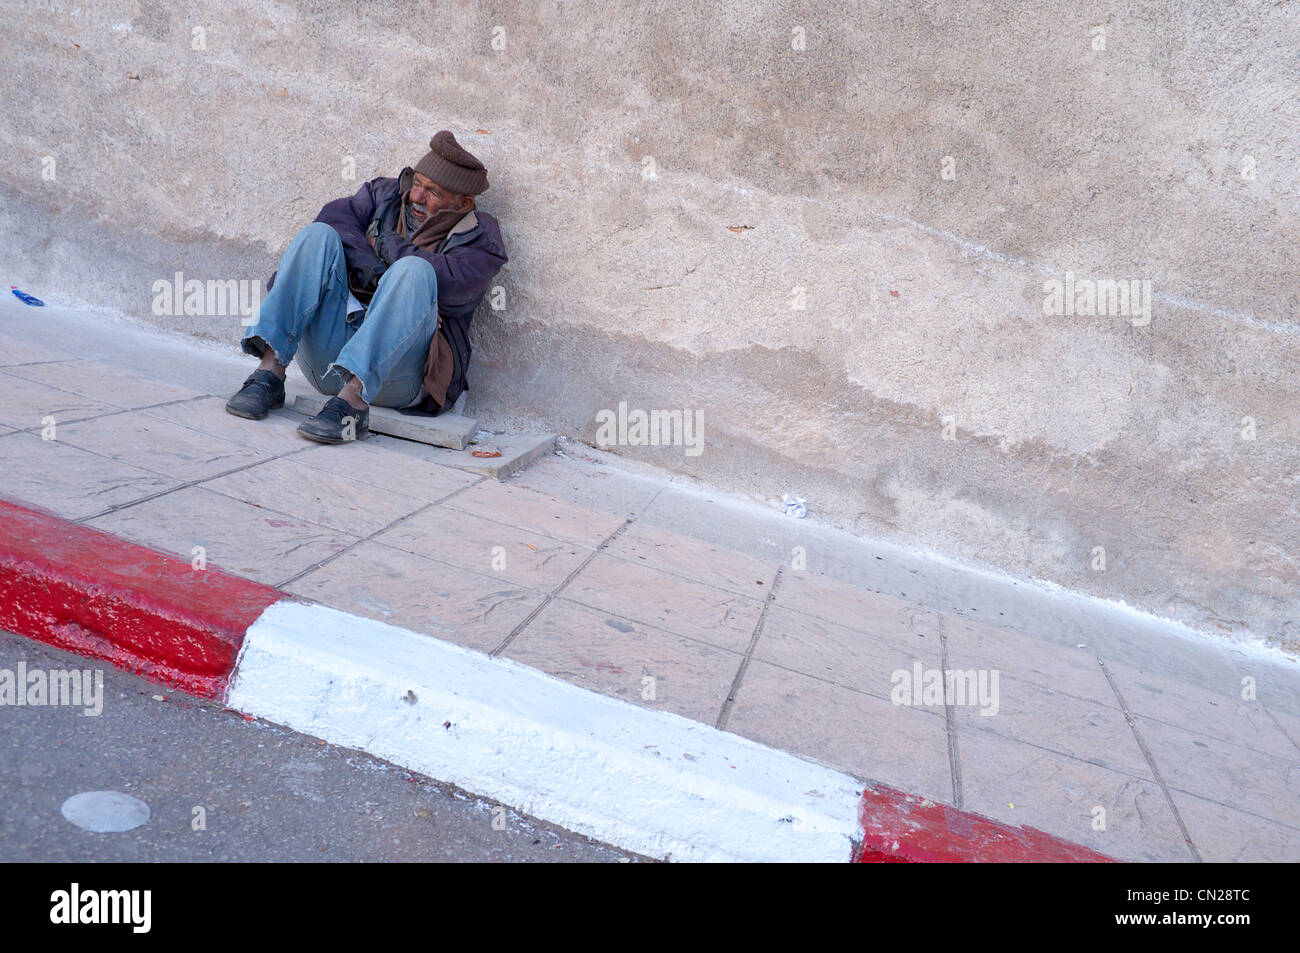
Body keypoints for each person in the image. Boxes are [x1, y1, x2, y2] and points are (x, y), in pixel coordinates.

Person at [226, 130, 507, 443]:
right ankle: (270, 373)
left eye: (433, 192)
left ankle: (353, 404)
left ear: (464, 202)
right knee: (317, 235)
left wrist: (384, 245)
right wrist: (377, 275)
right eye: (417, 183)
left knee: (415, 272)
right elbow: (335, 221)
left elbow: (451, 286)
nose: (416, 197)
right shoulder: (382, 195)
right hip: (329, 365)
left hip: (399, 378)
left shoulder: (481, 240)